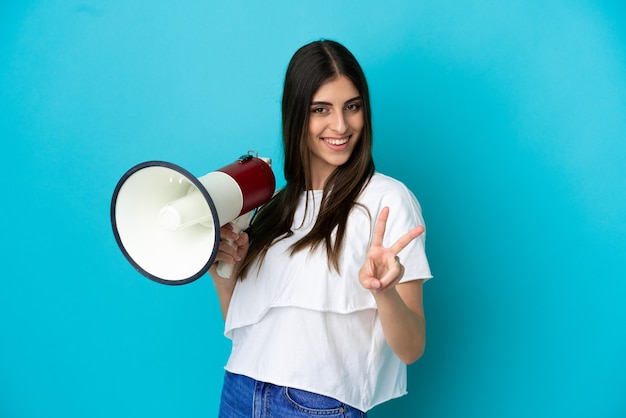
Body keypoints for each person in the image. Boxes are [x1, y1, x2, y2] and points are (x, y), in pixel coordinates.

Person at [209, 39, 432, 417]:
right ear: (296, 114)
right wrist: (223, 275)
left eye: (352, 107)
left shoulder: (387, 200)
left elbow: (412, 348)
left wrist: (385, 292)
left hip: (316, 405)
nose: (341, 125)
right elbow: (248, 329)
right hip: (239, 389)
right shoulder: (273, 208)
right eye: (321, 109)